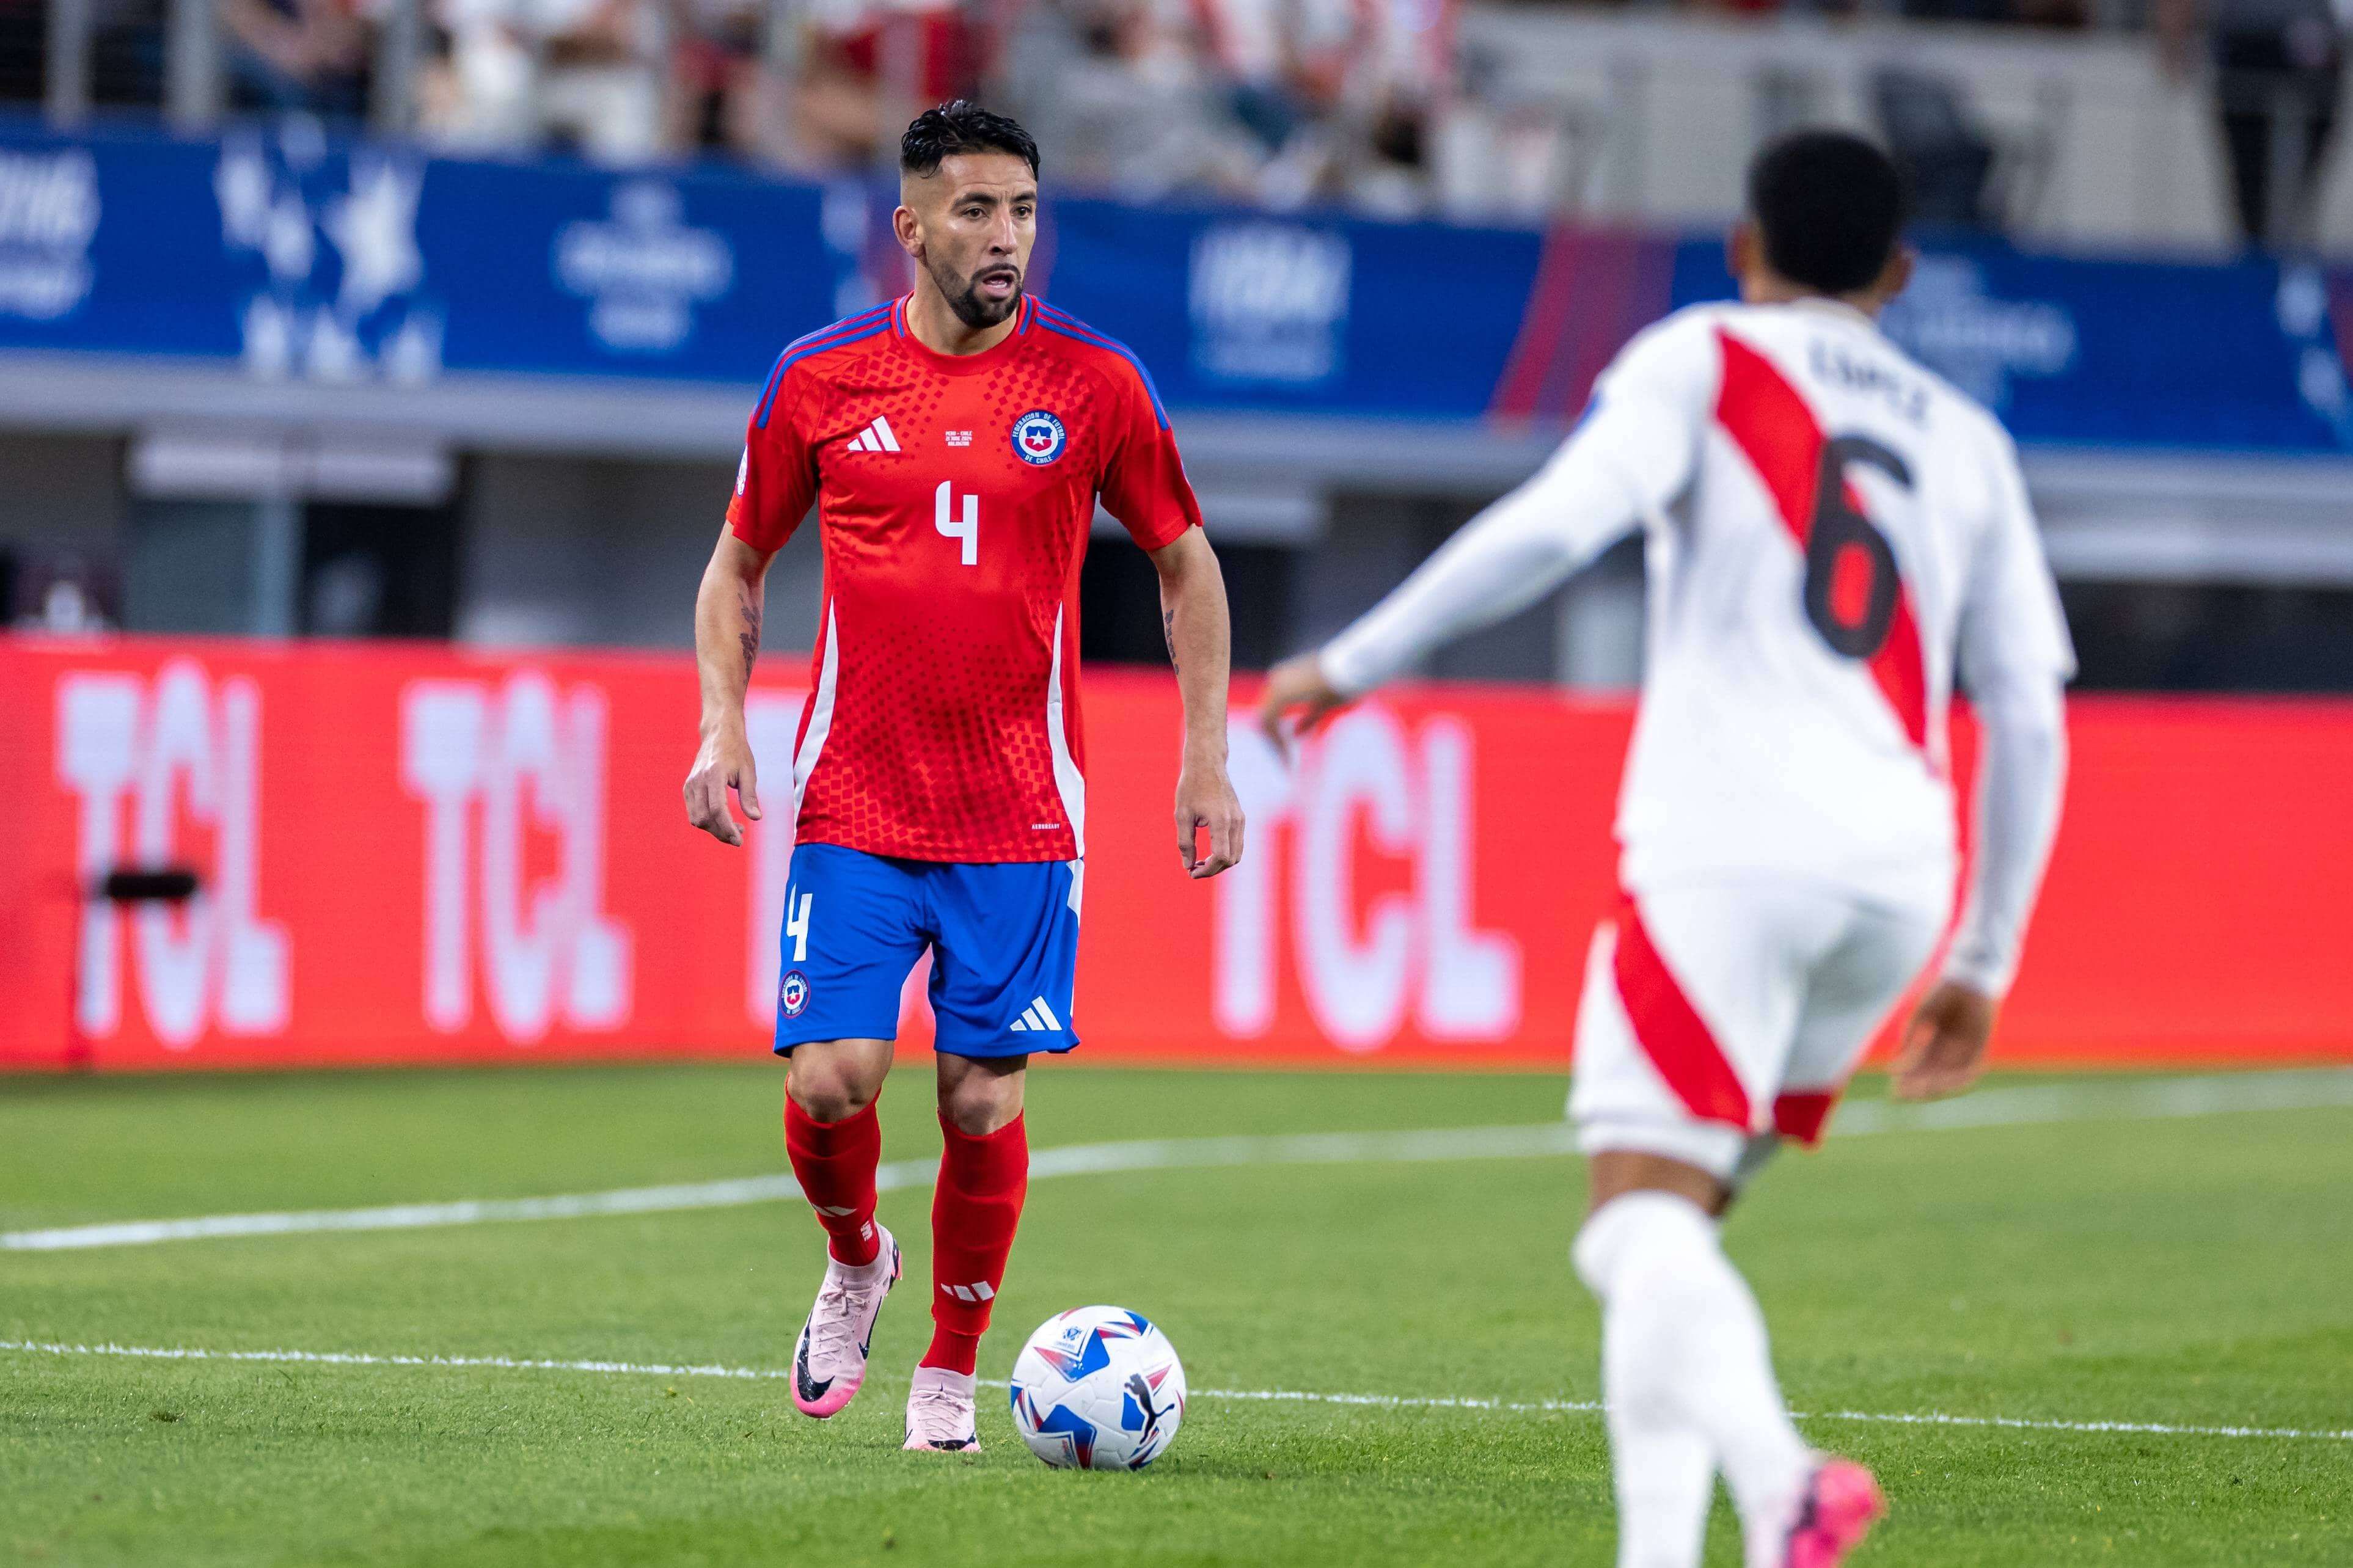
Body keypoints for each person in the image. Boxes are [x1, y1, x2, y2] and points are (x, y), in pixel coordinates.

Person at [1259, 129, 2072, 1568]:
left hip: (1732, 851)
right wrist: (1985, 956)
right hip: (1901, 874)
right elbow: (2028, 711)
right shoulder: (1971, 440)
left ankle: (1782, 1481)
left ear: (1744, 248)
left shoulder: (1705, 357)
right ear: (1899, 274)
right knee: (1670, 1230)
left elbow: (1558, 524)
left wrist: (1355, 660)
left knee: (1630, 1232)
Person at [684, 101, 1245, 1453]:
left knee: (981, 1095)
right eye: (978, 211)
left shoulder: (1095, 384)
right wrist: (720, 724)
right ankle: (856, 1258)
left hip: (1021, 811)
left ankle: (949, 1368)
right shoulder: (820, 380)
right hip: (856, 802)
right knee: (831, 1080)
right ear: (913, 226)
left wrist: (1206, 759)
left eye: (1025, 212)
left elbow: (1186, 563)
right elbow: (737, 563)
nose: (1007, 239)